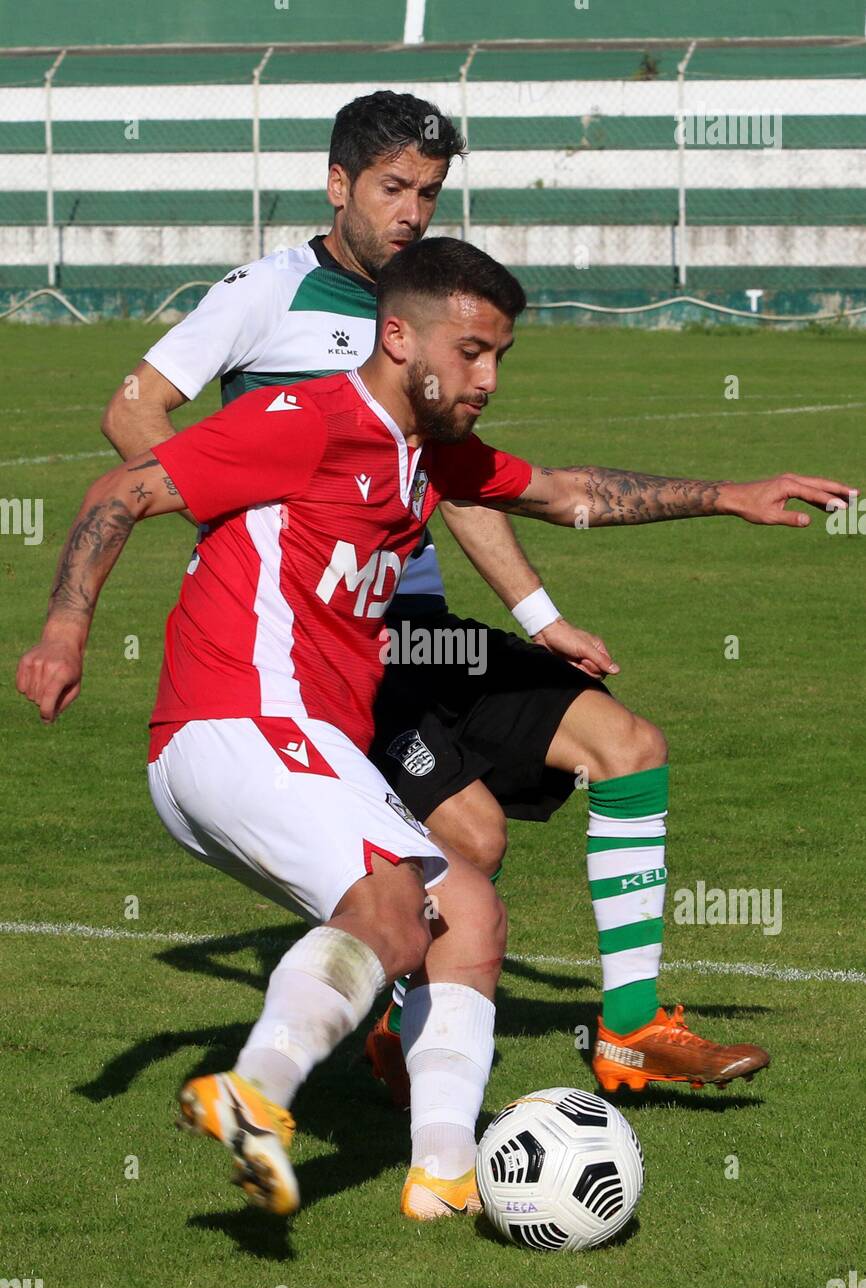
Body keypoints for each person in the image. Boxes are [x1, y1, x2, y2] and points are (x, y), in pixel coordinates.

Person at [21, 238, 852, 1224]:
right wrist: (66, 632)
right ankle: (256, 1091)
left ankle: (443, 1172)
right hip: (236, 720)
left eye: (499, 355)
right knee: (389, 906)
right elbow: (119, 490)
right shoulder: (302, 419)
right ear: (398, 334)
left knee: (466, 916)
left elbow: (564, 493)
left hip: (307, 740)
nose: (487, 377)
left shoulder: (424, 452)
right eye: (470, 352)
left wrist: (725, 494)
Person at [98, 92, 625, 1101]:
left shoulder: (433, 311)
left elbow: (462, 486)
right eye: (392, 188)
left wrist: (535, 613)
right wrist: (238, 517)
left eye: (428, 191)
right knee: (462, 847)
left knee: (592, 761)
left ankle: (455, 1047)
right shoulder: (267, 291)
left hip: (407, 629)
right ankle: (396, 1058)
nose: (412, 212)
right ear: (337, 186)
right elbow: (135, 408)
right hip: (307, 641)